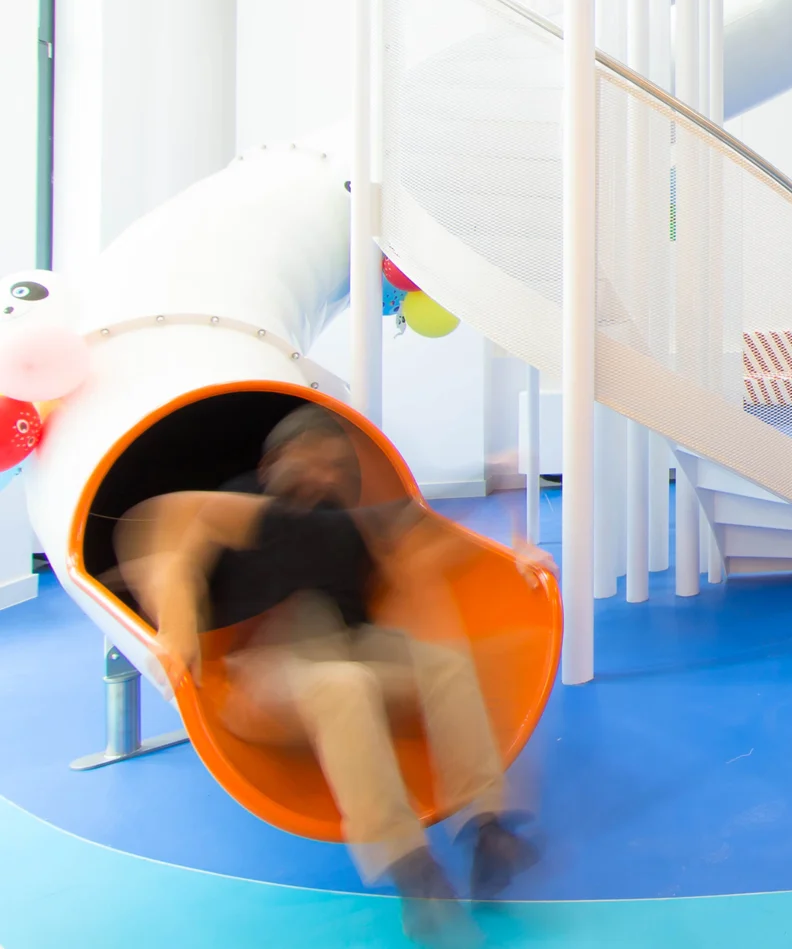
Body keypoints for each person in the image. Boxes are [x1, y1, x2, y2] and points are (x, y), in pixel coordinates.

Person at [116, 404, 538, 944]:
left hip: (350, 643)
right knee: (343, 684)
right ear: (274, 462)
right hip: (260, 666)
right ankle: (412, 869)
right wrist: (175, 624)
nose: (327, 477)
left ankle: (487, 829)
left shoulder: (343, 520)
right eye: (313, 463)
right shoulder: (252, 502)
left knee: (443, 664)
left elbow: (427, 546)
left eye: (337, 466)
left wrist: (517, 558)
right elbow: (173, 531)